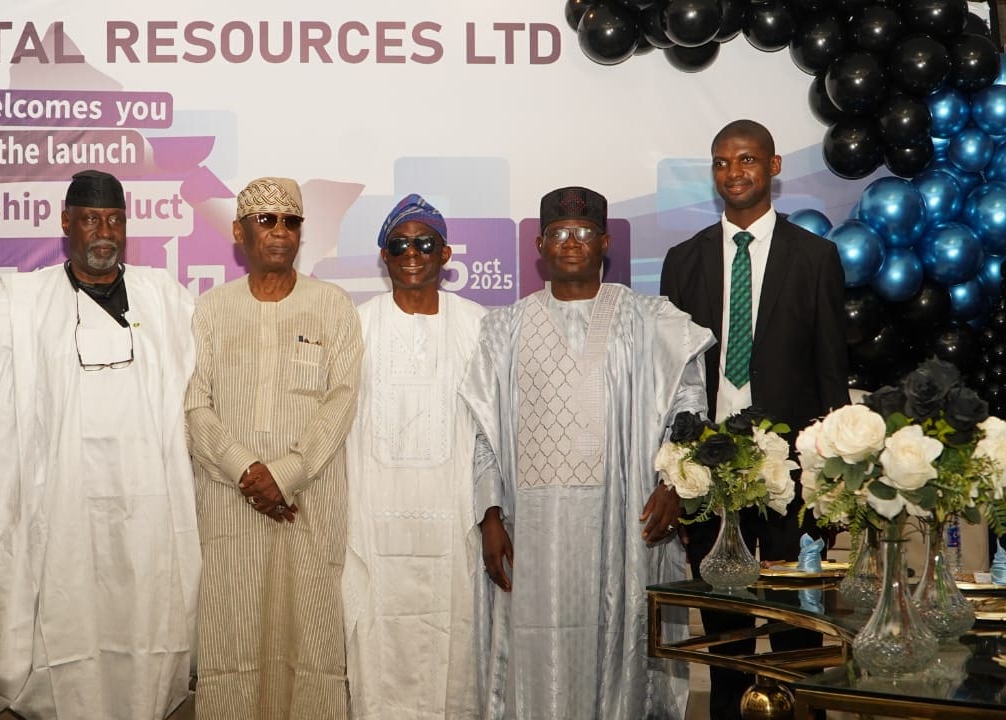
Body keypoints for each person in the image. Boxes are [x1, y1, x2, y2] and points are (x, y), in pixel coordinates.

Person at [461, 186, 712, 720]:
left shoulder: (651, 318)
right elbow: (483, 430)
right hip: (532, 530)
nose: (570, 243)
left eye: (582, 233)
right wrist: (489, 515)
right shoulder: (504, 328)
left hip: (624, 523)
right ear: (539, 246)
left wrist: (674, 483)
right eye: (558, 233)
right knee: (533, 646)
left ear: (604, 242)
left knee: (623, 641)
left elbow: (689, 404)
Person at [0, 170, 199, 719]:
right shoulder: (24, 306)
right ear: (66, 223)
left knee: (145, 620)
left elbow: (199, 398)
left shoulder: (165, 300)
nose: (105, 232)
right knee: (69, 619)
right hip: (62, 511)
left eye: (115, 220)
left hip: (149, 511)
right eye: (91, 219)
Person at [660, 119, 850, 720]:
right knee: (726, 639)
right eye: (721, 162)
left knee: (799, 634)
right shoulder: (683, 260)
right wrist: (675, 473)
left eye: (746, 159)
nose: (733, 173)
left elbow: (831, 374)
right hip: (710, 475)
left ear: (773, 166)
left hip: (791, 479)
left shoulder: (815, 257)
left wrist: (829, 480)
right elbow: (673, 379)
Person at [186, 176, 363, 720]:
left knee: (310, 637)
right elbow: (195, 405)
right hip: (229, 501)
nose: (280, 231)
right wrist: (245, 470)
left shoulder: (332, 306)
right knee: (232, 637)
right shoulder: (210, 310)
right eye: (266, 220)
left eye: (291, 221)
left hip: (307, 502)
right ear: (239, 232)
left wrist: (285, 474)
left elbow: (342, 400)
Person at [342, 194, 485, 720]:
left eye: (425, 243)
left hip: (454, 522)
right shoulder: (356, 325)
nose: (412, 254)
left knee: (456, 647)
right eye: (399, 244)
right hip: (373, 524)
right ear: (383, 255)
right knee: (377, 646)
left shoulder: (477, 325)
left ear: (445, 254)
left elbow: (492, 431)